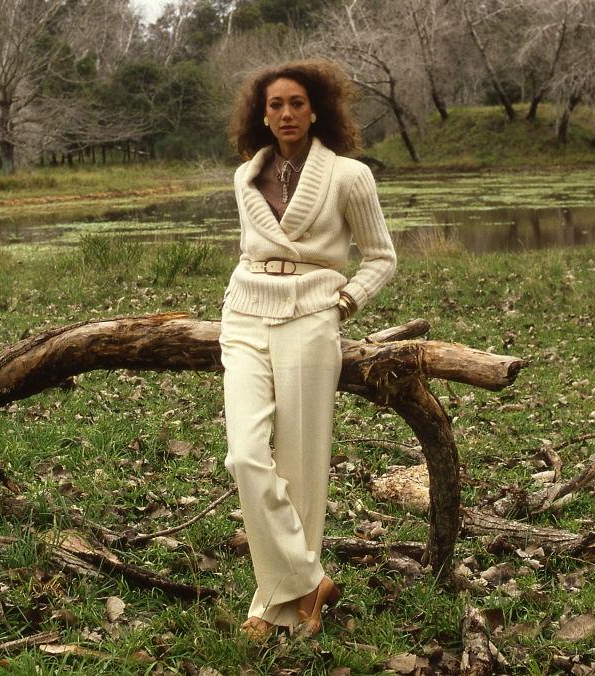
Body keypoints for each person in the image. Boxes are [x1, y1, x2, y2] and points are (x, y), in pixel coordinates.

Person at [219, 59, 397, 640]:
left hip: (312, 316)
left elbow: (381, 258)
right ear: (262, 114)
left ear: (316, 109)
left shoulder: (349, 176)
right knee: (245, 456)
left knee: (300, 466)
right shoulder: (246, 175)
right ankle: (309, 578)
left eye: (296, 103)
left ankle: (277, 608)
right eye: (275, 105)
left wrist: (346, 303)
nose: (286, 113)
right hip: (245, 312)